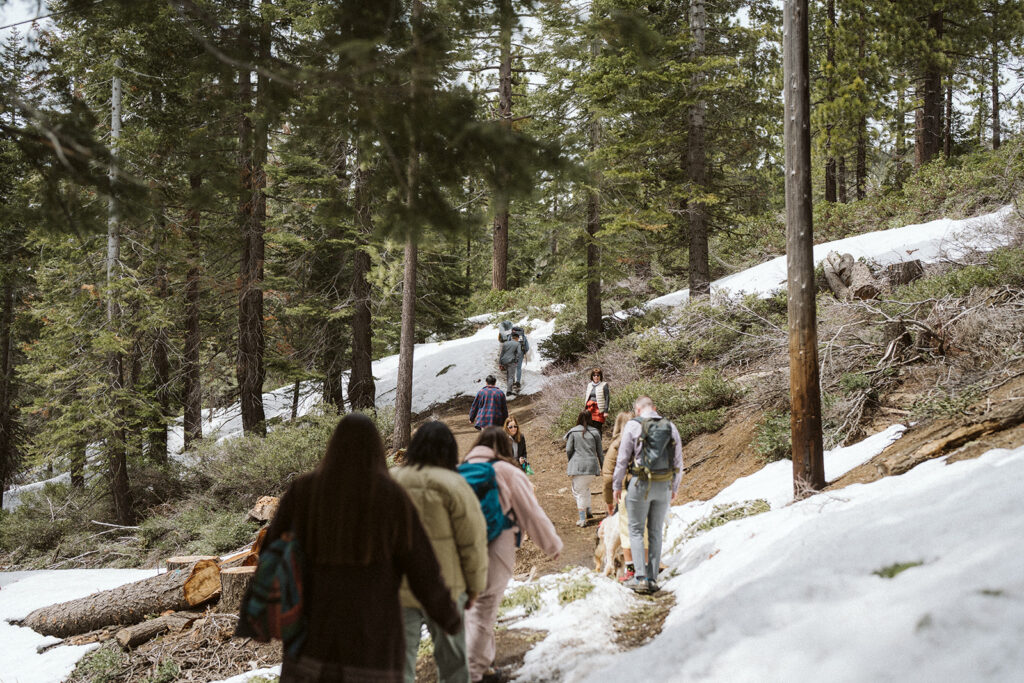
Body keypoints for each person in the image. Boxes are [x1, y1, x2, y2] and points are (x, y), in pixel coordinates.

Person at [245, 413, 460, 682]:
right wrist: (449, 617)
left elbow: (271, 554)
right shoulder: (391, 497)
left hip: (309, 646)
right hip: (373, 647)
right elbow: (422, 568)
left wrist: (261, 613)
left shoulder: (303, 491)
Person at [462, 427, 562, 682]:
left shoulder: (460, 469)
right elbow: (531, 513)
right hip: (496, 546)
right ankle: (471, 673)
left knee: (470, 609)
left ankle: (484, 667)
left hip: (459, 549)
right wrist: (552, 545)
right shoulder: (506, 471)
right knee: (484, 610)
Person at [392, 422, 489, 683]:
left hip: (398, 588)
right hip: (446, 588)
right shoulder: (455, 484)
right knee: (454, 664)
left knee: (399, 666)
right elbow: (473, 541)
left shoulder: (392, 481)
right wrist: (475, 587)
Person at [612, 396, 683, 595]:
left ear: (637, 410)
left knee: (635, 530)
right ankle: (652, 578)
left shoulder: (633, 426)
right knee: (654, 531)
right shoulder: (670, 426)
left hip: (640, 484)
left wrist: (617, 485)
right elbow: (678, 461)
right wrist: (674, 487)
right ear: (655, 408)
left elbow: (622, 459)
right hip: (663, 485)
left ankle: (640, 577)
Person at [564, 411, 603, 528]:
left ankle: (582, 519)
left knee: (578, 492)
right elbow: (600, 453)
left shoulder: (573, 432)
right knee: (585, 488)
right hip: (592, 467)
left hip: (579, 466)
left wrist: (571, 460)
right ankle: (589, 511)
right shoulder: (595, 432)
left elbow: (568, 449)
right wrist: (603, 467)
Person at [601, 412, 633, 516]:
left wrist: (609, 503)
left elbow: (607, 476)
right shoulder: (624, 443)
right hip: (625, 486)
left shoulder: (615, 442)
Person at [584, 367, 610, 433]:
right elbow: (587, 397)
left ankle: (598, 442)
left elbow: (607, 398)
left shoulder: (604, 385)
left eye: (598, 375)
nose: (596, 377)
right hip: (590, 409)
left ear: (600, 376)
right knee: (589, 427)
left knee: (597, 428)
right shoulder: (589, 385)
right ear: (592, 376)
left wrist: (606, 411)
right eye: (594, 375)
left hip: (599, 409)